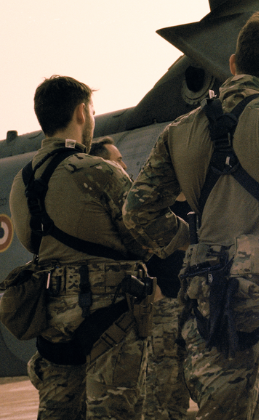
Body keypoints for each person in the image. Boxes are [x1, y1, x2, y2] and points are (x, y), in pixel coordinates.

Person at [123, 11, 259, 420]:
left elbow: (136, 212)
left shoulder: (178, 132)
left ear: (232, 63)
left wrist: (188, 239)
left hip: (212, 292)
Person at [9, 76, 151, 419]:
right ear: (80, 113)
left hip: (54, 323)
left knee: (57, 412)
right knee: (115, 412)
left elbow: (31, 242)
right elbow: (141, 240)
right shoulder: (99, 171)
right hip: (112, 316)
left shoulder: (22, 182)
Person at [93, 136, 191, 420]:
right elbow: (132, 246)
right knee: (160, 381)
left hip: (188, 302)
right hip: (162, 305)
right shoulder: (151, 201)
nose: (124, 164)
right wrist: (154, 289)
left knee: (181, 385)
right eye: (117, 158)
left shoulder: (195, 198)